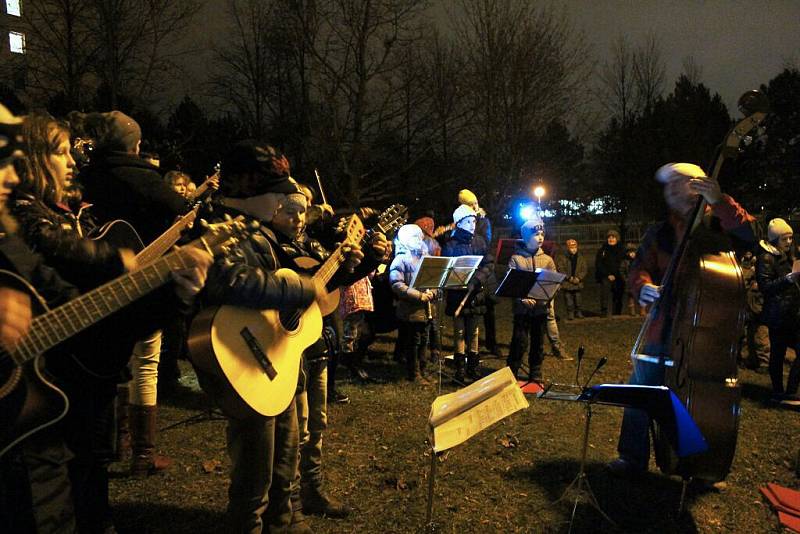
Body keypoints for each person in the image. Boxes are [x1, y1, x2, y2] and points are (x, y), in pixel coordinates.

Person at [0, 104, 211, 533]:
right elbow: (74, 265)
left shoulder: (59, 219)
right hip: (33, 418)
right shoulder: (25, 220)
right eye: (61, 153)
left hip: (66, 393)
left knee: (82, 480)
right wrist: (125, 264)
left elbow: (89, 309)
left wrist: (172, 296)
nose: (73, 162)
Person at [194, 140, 363, 532]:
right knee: (255, 464)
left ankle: (284, 519)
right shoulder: (226, 230)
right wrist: (302, 288)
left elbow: (307, 284)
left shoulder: (265, 233)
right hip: (245, 358)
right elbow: (230, 280)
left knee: (285, 452)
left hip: (276, 358)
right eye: (276, 194)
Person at [607, 162, 759, 478]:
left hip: (704, 338)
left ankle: (695, 462)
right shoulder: (659, 232)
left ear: (699, 186)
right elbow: (638, 269)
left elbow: (750, 236)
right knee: (639, 390)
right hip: (662, 330)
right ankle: (632, 457)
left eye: (682, 184)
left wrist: (721, 202)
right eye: (670, 186)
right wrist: (643, 287)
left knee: (695, 402)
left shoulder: (719, 229)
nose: (674, 191)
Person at [81, 111, 193, 477]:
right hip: (142, 284)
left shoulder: (81, 177)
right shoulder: (148, 182)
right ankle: (142, 453)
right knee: (145, 364)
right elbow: (183, 218)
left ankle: (114, 443)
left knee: (101, 367)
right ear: (137, 145)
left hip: (88, 284)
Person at [442, 204, 492, 383]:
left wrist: (477, 279)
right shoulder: (450, 244)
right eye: (469, 221)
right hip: (458, 295)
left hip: (475, 293)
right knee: (460, 331)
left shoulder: (479, 241)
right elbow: (448, 268)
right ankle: (460, 368)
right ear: (459, 223)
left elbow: (488, 264)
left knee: (474, 331)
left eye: (474, 221)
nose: (472, 224)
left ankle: (473, 365)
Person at [506, 218, 557, 382]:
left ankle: (535, 371)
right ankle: (512, 370)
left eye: (542, 234)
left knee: (538, 342)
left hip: (540, 310)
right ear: (527, 237)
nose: (540, 237)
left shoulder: (548, 260)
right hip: (522, 310)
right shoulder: (516, 259)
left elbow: (554, 284)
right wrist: (521, 298)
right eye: (536, 234)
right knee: (519, 341)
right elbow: (511, 284)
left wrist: (544, 297)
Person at [756, 218, 800, 406]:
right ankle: (780, 393)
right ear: (775, 239)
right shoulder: (767, 257)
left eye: (790, 238)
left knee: (780, 352)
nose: (789, 242)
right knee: (778, 353)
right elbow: (765, 286)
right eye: (785, 239)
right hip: (778, 314)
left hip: (791, 313)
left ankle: (787, 392)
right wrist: (789, 279)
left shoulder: (788, 256)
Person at [390, 224, 436, 384]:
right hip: (411, 310)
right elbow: (397, 284)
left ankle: (422, 369)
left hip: (426, 310)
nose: (419, 240)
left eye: (420, 237)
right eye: (415, 237)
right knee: (414, 342)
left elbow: (434, 279)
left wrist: (433, 292)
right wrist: (418, 296)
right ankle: (414, 372)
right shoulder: (401, 259)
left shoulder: (425, 257)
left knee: (425, 340)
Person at [595, 229, 624, 316]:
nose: (611, 239)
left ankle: (617, 313)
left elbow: (623, 263)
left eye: (613, 237)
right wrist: (608, 274)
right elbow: (599, 264)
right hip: (605, 276)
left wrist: (616, 274)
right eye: (609, 237)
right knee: (604, 294)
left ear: (617, 239)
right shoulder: (602, 250)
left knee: (618, 295)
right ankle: (604, 312)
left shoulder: (622, 250)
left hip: (619, 276)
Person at [557, 239, 587, 320]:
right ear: (567, 248)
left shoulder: (580, 257)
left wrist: (579, 278)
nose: (573, 249)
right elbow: (561, 269)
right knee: (568, 299)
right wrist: (569, 277)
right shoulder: (562, 258)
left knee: (578, 298)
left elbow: (584, 269)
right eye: (571, 247)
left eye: (575, 247)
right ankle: (570, 313)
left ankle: (578, 311)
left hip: (577, 282)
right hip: (567, 283)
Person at [619, 242, 643, 316]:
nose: (632, 254)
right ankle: (632, 311)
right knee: (631, 296)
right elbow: (621, 271)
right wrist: (626, 279)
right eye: (630, 252)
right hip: (630, 281)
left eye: (633, 252)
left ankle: (642, 310)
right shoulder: (625, 262)